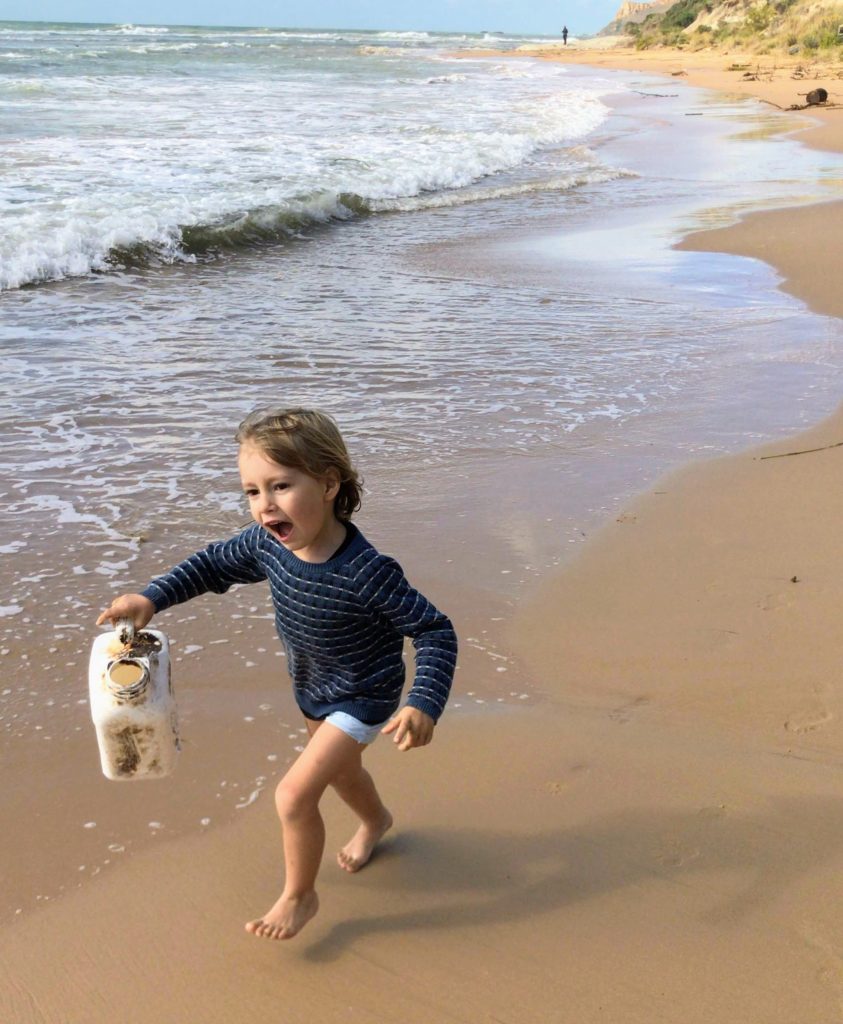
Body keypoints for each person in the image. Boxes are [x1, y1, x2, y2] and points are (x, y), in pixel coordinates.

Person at [97, 407, 458, 941]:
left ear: (329, 483)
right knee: (340, 774)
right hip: (313, 686)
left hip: (364, 695)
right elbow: (213, 565)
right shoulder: (269, 544)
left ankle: (299, 895)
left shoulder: (366, 572)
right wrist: (152, 596)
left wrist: (422, 701)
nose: (264, 505)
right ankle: (376, 821)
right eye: (251, 491)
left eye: (281, 486)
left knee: (293, 796)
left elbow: (434, 631)